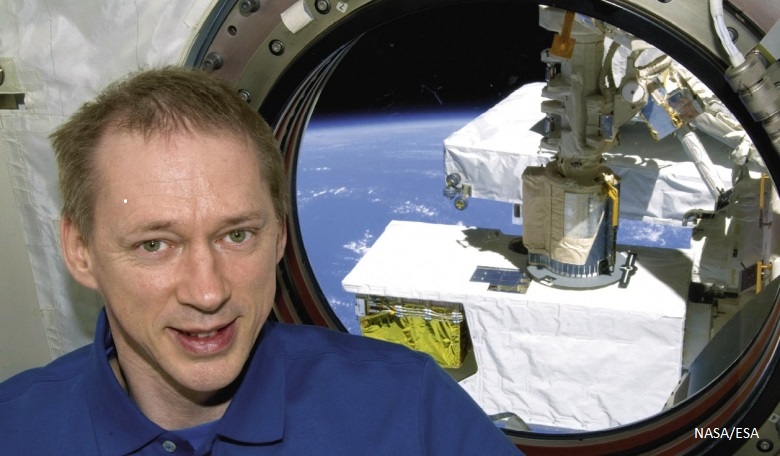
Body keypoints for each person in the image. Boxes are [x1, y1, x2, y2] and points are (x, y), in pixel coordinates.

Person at [0, 66, 523, 455]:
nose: (207, 293)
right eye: (154, 245)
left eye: (237, 235)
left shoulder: (407, 412)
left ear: (279, 237)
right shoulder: (16, 431)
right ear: (80, 251)